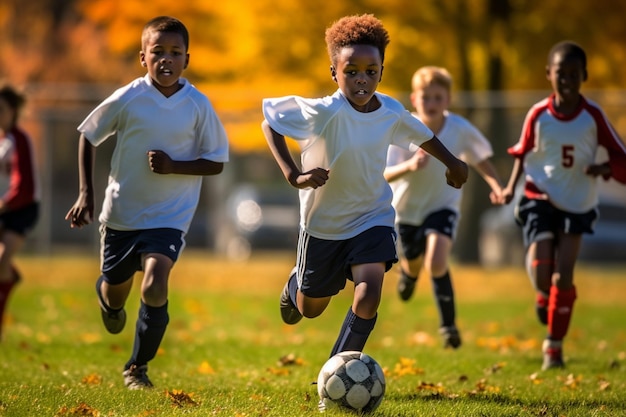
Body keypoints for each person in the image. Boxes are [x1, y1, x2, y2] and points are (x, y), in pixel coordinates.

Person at [261, 14, 468, 367]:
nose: (361, 79)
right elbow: (270, 122)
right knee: (311, 308)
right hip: (323, 225)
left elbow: (423, 135)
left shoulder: (390, 110)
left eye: (370, 71)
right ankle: (296, 285)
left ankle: (334, 376)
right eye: (351, 71)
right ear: (334, 72)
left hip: (372, 217)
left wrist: (453, 163)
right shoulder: (324, 111)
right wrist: (294, 175)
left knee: (369, 295)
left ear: (381, 71)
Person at [65, 16, 229, 389]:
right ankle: (109, 300)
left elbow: (216, 161)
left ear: (187, 59)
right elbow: (88, 136)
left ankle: (137, 368)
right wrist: (86, 194)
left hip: (170, 217)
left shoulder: (198, 105)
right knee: (115, 289)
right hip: (122, 214)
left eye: (175, 52)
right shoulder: (129, 98)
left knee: (155, 283)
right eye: (158, 52)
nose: (166, 59)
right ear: (143, 58)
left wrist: (174, 166)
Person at [502, 41, 626, 370]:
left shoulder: (593, 116)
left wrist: (603, 169)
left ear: (584, 75)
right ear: (549, 75)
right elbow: (522, 152)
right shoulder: (538, 114)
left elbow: (620, 156)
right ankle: (544, 296)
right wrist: (508, 189)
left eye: (574, 74)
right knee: (544, 274)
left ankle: (553, 348)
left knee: (564, 277)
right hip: (539, 196)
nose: (568, 80)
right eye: (561, 73)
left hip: (577, 203)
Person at [384, 66, 505, 349]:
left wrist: (497, 185)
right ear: (415, 99)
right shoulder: (405, 129)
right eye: (426, 98)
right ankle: (409, 275)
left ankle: (448, 327)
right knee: (413, 263)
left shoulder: (460, 129)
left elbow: (482, 159)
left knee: (437, 261)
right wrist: (410, 166)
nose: (432, 103)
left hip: (443, 206)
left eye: (438, 97)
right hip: (406, 211)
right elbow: (385, 173)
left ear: (448, 100)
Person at [0, 84, 39, 341]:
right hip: (6, 207)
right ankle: (10, 276)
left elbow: (24, 185)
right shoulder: (2, 141)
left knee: (2, 261)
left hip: (22, 209)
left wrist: (6, 203)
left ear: (13, 111)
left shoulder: (19, 138)